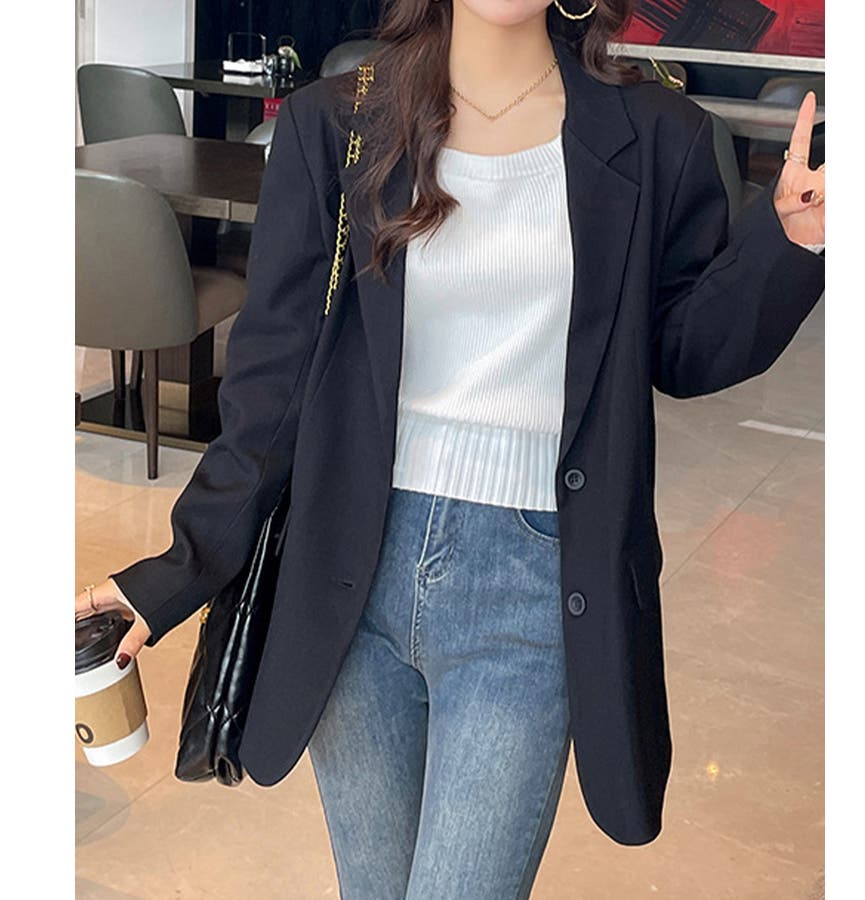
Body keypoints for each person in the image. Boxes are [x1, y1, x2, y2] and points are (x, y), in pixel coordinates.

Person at [75, 1, 825, 896]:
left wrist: (791, 242)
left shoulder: (658, 133)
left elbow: (685, 350)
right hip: (349, 568)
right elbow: (271, 390)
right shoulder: (339, 122)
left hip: (534, 584)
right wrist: (176, 571)